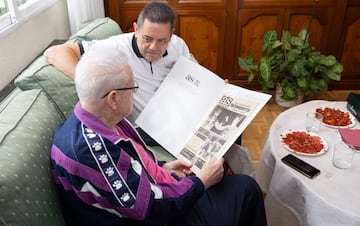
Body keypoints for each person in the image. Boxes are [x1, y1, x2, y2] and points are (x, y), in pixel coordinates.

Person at [50, 47, 267, 226]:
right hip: (155, 216)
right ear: (113, 99)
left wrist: (163, 168)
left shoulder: (97, 119)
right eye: (133, 88)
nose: (134, 93)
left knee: (238, 185)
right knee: (246, 189)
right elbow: (151, 210)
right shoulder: (92, 150)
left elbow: (130, 171)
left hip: (153, 197)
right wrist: (201, 182)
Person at [44, 1, 242, 146]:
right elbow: (56, 52)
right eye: (147, 38)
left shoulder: (178, 45)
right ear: (136, 29)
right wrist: (90, 83)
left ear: (171, 35)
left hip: (181, 115)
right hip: (147, 130)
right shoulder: (115, 47)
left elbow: (197, 76)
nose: (154, 47)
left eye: (162, 40)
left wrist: (214, 85)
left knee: (233, 128)